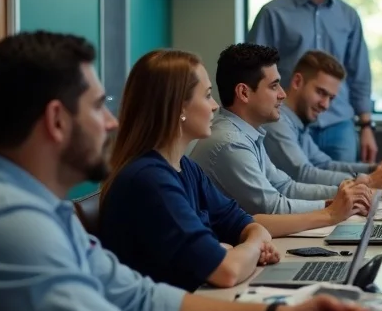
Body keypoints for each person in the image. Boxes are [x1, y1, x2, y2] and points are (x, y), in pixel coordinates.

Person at [0, 32, 379, 311]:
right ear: (57, 121)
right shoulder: (4, 223)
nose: (111, 122)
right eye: (98, 106)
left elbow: (139, 299)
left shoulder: (45, 211)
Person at [100, 50, 279, 291]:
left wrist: (239, 247)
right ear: (178, 108)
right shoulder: (149, 180)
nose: (215, 106)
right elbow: (226, 272)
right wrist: (248, 247)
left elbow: (243, 222)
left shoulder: (185, 167)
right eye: (207, 96)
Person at [189, 44, 373, 221]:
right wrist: (334, 206)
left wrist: (346, 192)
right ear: (244, 93)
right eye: (274, 86)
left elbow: (285, 187)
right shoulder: (231, 142)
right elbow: (271, 208)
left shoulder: (247, 133)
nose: (282, 94)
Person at [248, 0, 377, 164]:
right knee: (292, 191)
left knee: (349, 192)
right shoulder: (273, 14)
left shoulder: (348, 16)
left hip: (339, 126)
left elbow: (359, 74)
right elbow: (253, 72)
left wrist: (367, 126)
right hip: (286, 125)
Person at [264, 50, 382, 192]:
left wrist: (373, 169)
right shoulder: (277, 121)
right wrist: (369, 180)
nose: (326, 105)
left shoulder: (297, 122)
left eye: (331, 98)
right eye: (321, 93)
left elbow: (325, 164)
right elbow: (302, 174)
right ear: (297, 81)